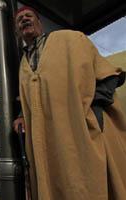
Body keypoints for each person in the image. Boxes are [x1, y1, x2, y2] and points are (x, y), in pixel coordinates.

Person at [13, 6, 126, 200]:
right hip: (49, 142)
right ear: (17, 31)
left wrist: (89, 114)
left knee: (87, 184)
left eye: (28, 16)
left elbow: (107, 76)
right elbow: (31, 97)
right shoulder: (23, 64)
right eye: (19, 19)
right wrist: (22, 116)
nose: (24, 19)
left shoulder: (69, 39)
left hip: (81, 133)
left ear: (40, 23)